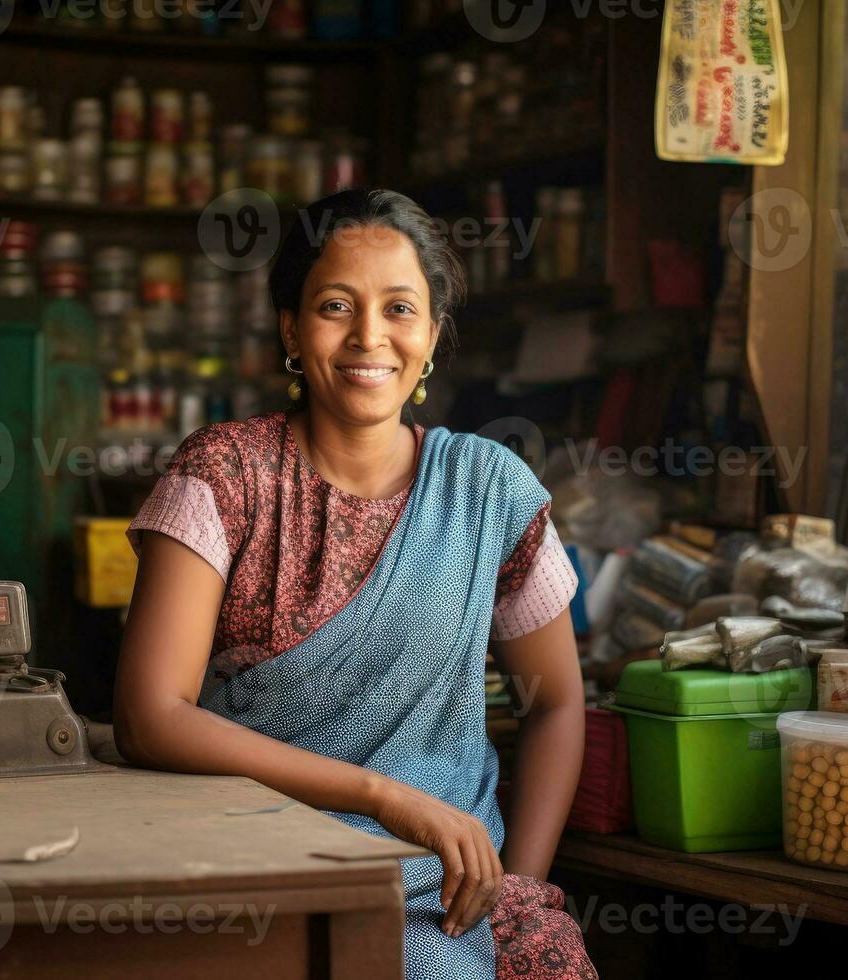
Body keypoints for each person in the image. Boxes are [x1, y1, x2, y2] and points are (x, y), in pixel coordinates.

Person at [115, 189, 596, 979]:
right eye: (336, 305)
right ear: (290, 330)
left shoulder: (490, 491)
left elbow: (557, 701)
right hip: (266, 875)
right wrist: (383, 796)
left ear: (433, 333)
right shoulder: (224, 474)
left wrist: (519, 885)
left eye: (400, 308)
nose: (370, 335)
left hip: (445, 888)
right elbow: (148, 716)